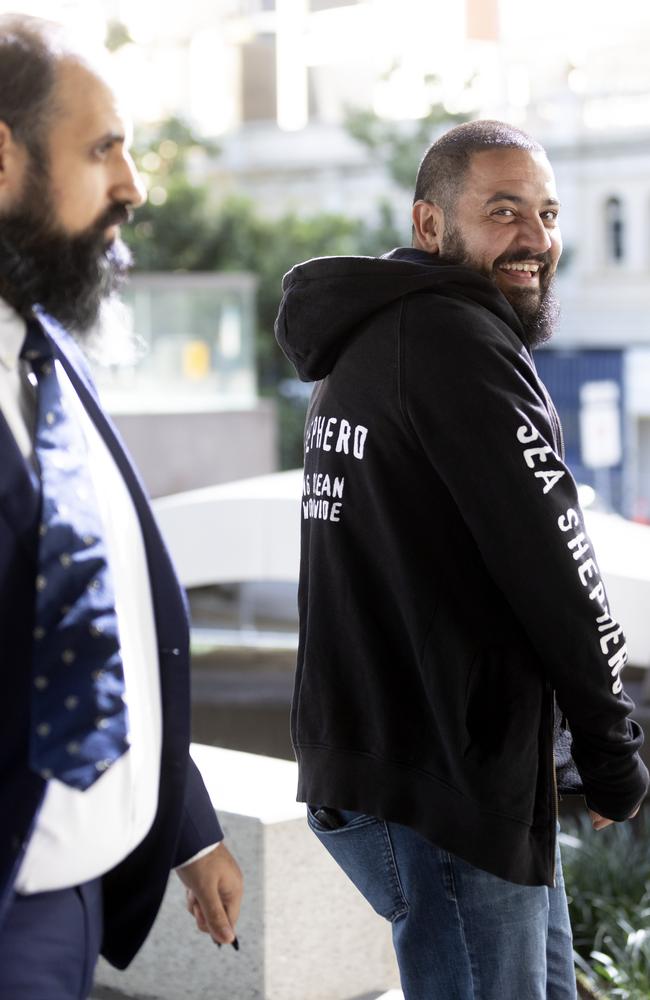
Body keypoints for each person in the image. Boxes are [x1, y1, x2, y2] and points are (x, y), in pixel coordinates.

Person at [275, 120, 649, 999]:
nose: (536, 238)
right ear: (432, 226)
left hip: (413, 766)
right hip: (446, 780)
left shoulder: (377, 338)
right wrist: (611, 750)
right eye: (504, 211)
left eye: (549, 213)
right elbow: (557, 563)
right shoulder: (454, 343)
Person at [0, 14, 242, 999]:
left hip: (83, 901)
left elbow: (98, 611)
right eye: (104, 149)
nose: (134, 186)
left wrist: (184, 822)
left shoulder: (50, 352)